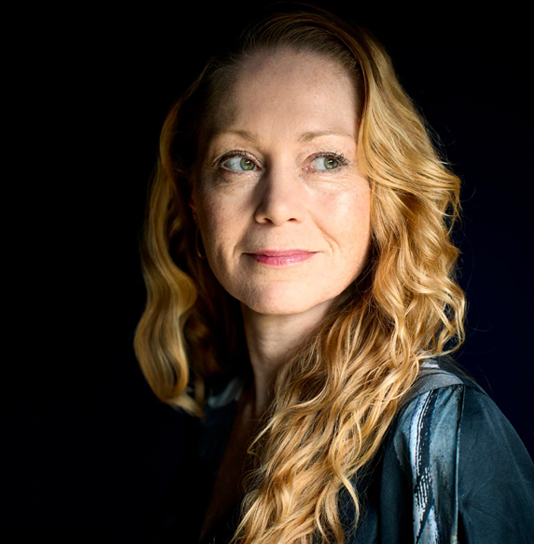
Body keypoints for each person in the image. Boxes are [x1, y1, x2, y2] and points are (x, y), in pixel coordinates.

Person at [133, 2, 534, 543]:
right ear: (195, 198)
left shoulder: (441, 435)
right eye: (240, 161)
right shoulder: (220, 411)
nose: (277, 206)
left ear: (383, 191)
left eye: (326, 160)